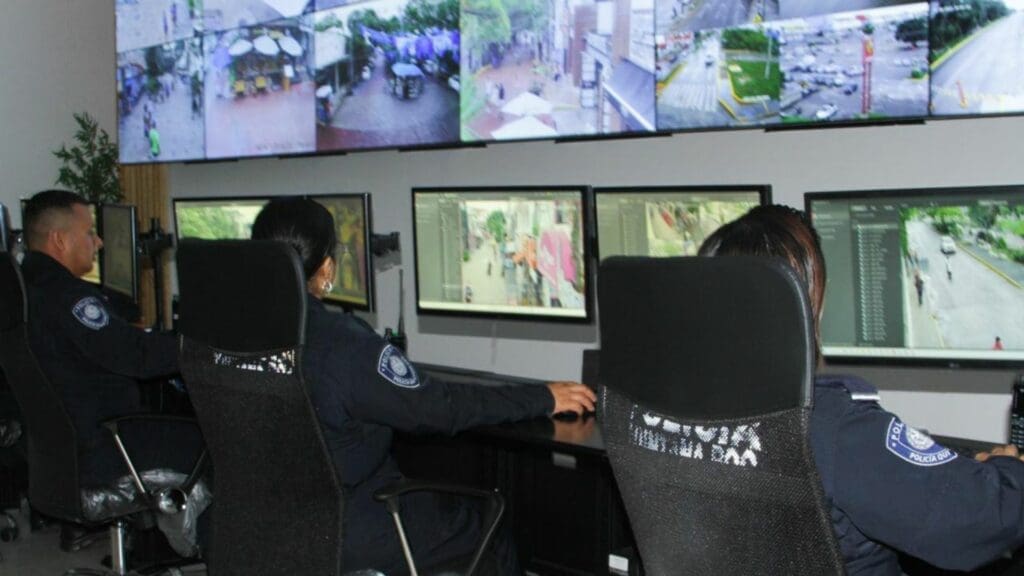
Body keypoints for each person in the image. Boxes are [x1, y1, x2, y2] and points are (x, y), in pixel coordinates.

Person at [251, 198, 595, 576]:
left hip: (254, 523)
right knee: (487, 531)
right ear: (327, 267)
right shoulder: (343, 344)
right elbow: (439, 407)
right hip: (348, 527)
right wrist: (542, 396)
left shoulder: (225, 332)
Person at [698, 204, 1024, 575]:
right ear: (808, 302)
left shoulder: (664, 414)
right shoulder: (831, 427)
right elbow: (983, 521)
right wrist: (1009, 471)